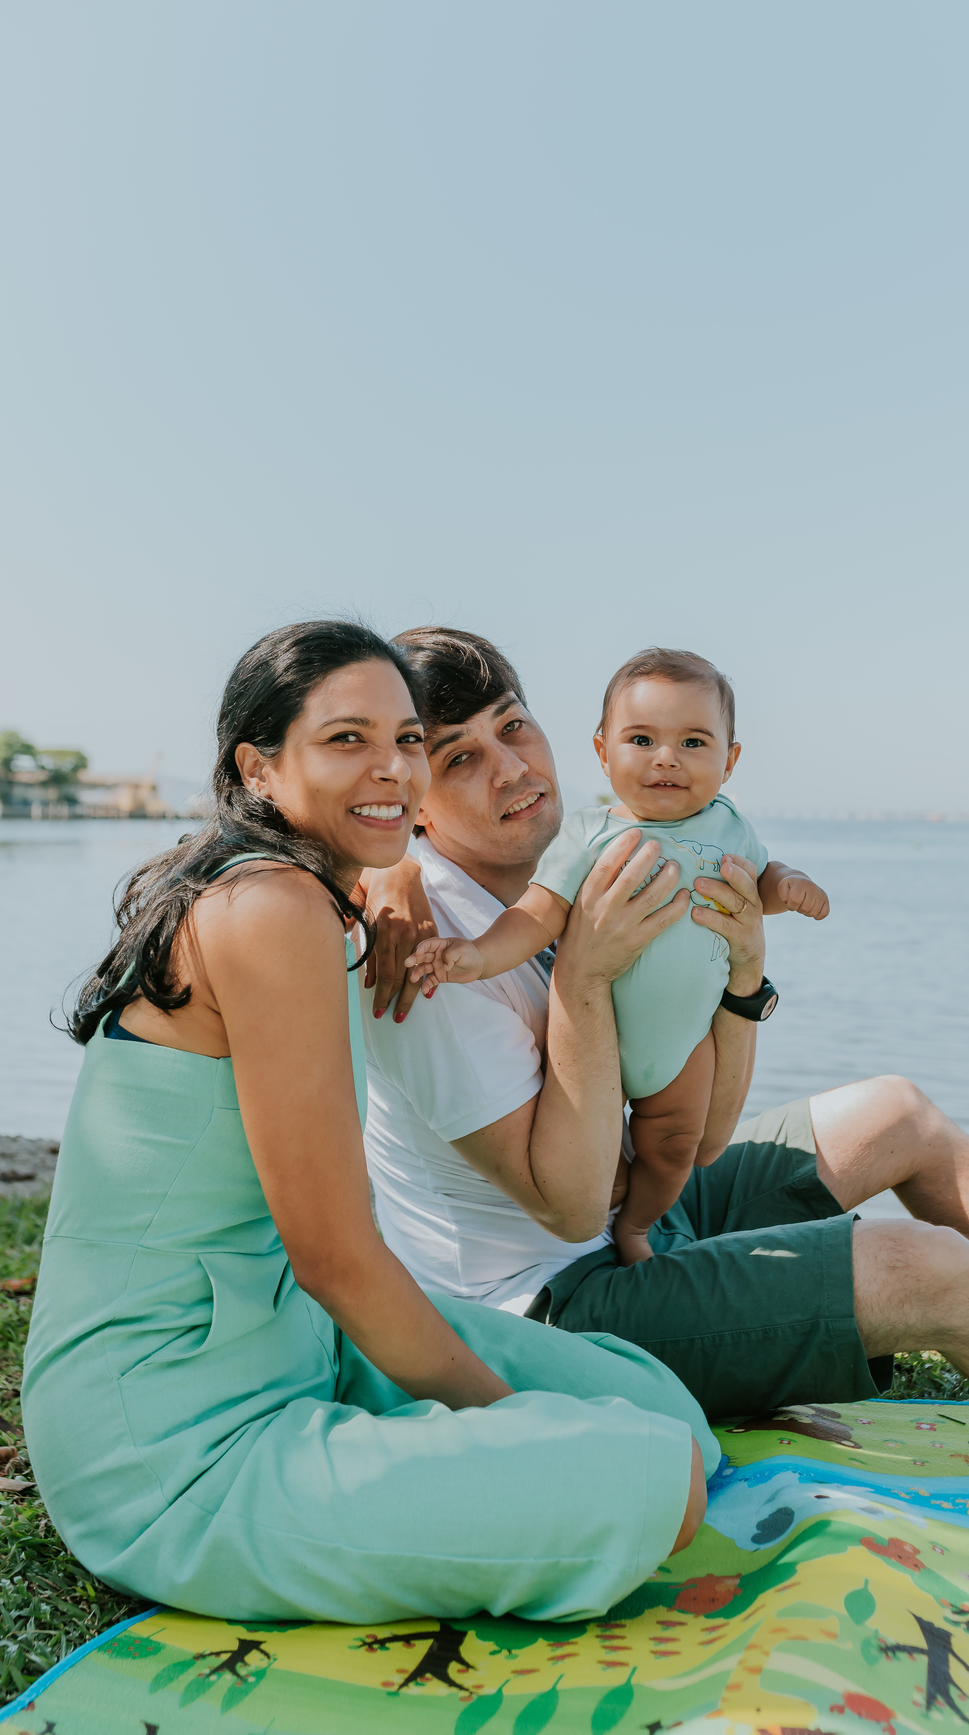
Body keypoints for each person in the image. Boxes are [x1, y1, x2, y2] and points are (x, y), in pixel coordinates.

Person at [22, 620, 713, 1625]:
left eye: (407, 741)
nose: (394, 768)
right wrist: (511, 1425)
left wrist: (389, 876)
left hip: (300, 1350)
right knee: (658, 1482)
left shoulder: (316, 894)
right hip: (175, 1447)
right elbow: (337, 1259)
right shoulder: (270, 911)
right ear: (258, 766)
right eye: (347, 741)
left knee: (663, 1410)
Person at [360, 625, 969, 1433]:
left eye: (514, 726)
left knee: (894, 1112)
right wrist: (580, 973)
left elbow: (712, 1136)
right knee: (921, 1267)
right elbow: (572, 1207)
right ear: (415, 798)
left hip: (640, 1211)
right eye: (459, 758)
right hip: (551, 1309)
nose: (512, 770)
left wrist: (744, 977)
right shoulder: (424, 960)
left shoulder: (594, 845)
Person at [404, 647, 829, 1265]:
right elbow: (536, 916)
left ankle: (640, 1226)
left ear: (730, 761)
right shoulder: (588, 837)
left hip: (685, 1041)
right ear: (603, 752)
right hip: (541, 1267)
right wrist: (474, 956)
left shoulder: (728, 825)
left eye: (693, 743)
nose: (666, 759)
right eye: (642, 739)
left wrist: (779, 899)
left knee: (681, 1146)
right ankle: (636, 1233)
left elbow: (710, 1144)